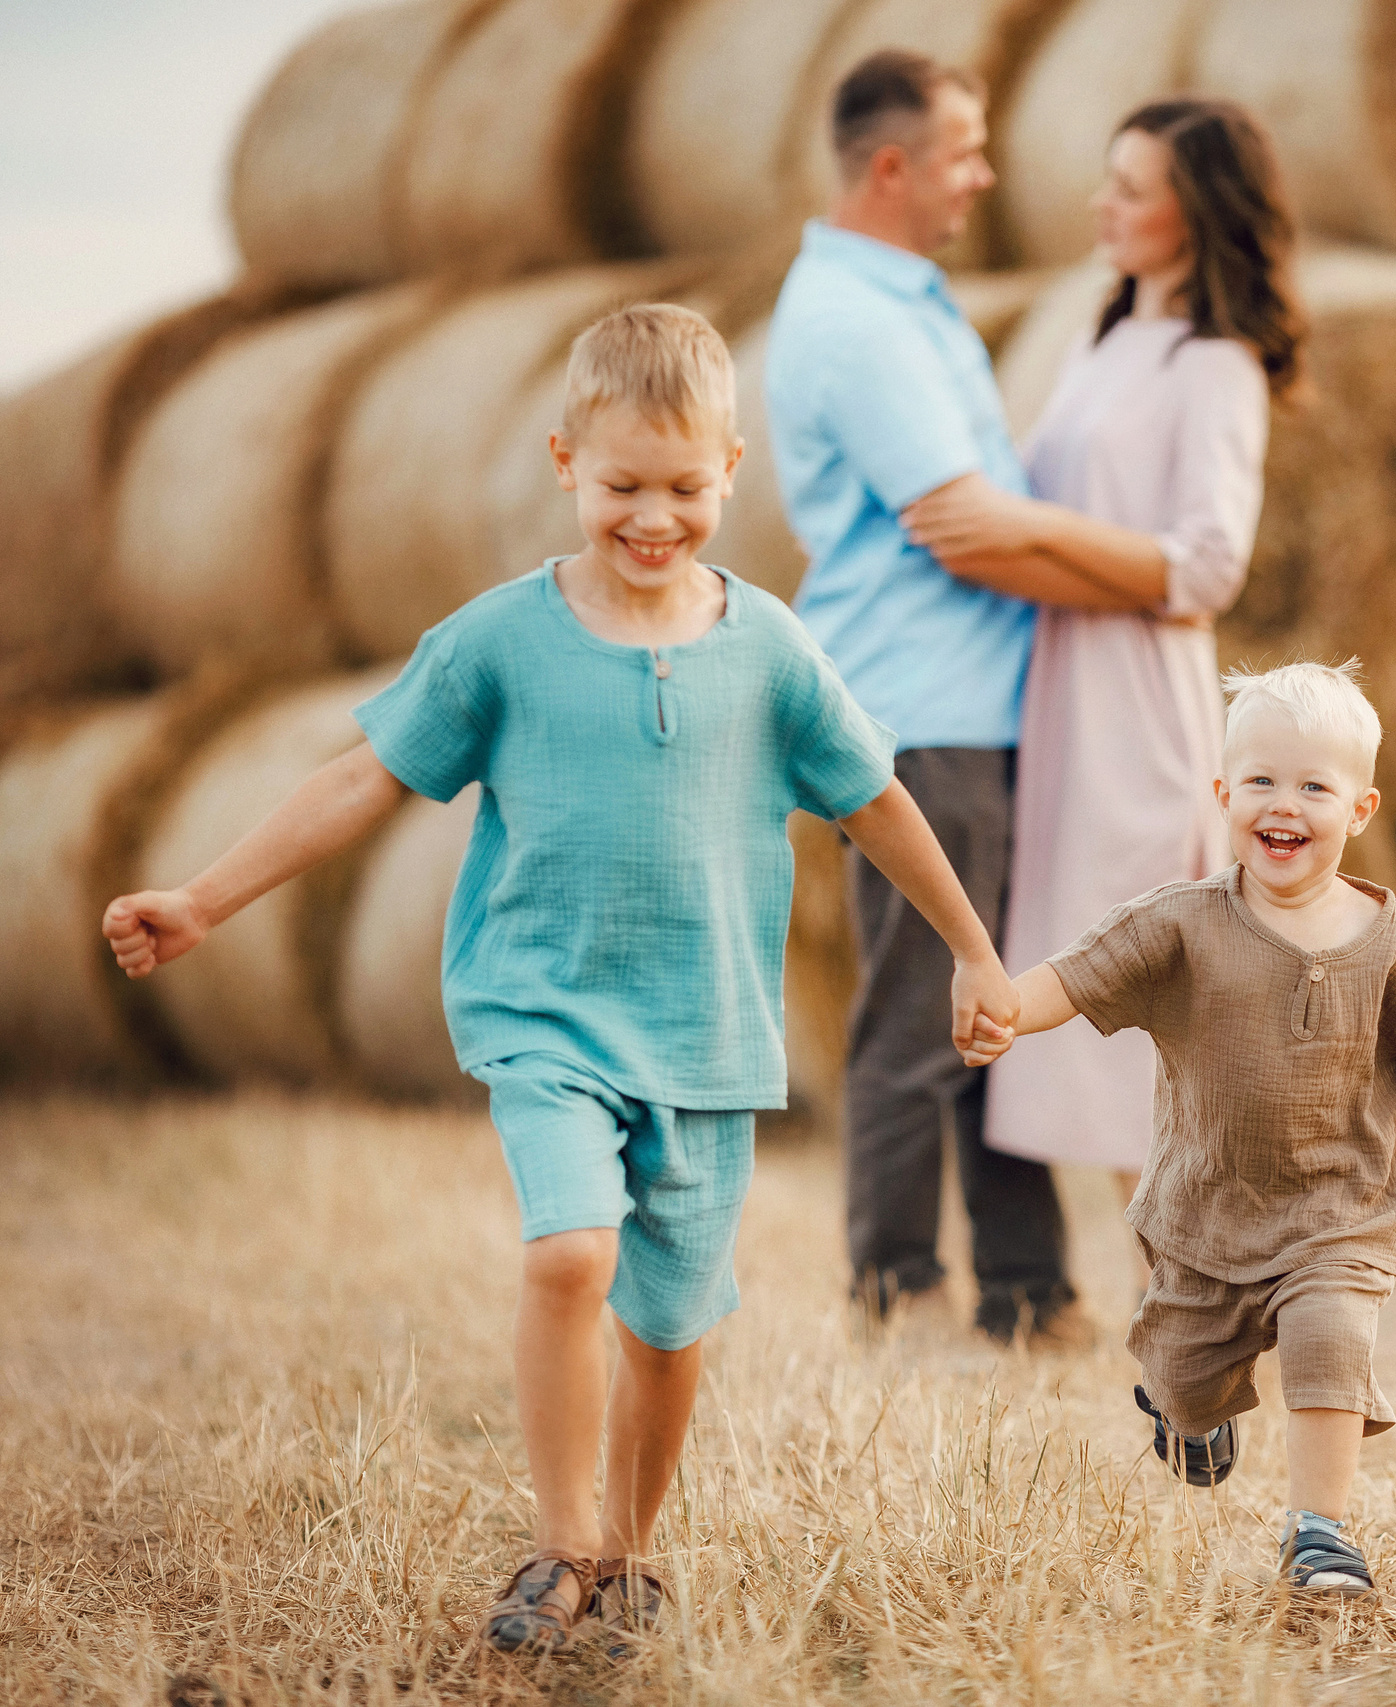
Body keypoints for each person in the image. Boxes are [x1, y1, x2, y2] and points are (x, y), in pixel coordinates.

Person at [99, 305, 1017, 1656]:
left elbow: (876, 800)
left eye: (685, 487)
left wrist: (976, 949)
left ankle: (631, 1554)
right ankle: (560, 1541)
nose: (654, 516)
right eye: (622, 484)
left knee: (669, 1328)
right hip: (545, 1012)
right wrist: (201, 897)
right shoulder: (501, 640)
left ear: (731, 471)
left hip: (705, 1031)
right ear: (564, 461)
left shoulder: (769, 648)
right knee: (571, 1251)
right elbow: (361, 778)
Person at [963, 661, 1396, 1596]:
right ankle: (1191, 1410)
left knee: (1331, 1334)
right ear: (1222, 795)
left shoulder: (1393, 942)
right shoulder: (1181, 924)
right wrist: (1009, 1007)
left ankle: (1318, 1533)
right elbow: (1082, 972)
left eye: (1313, 787)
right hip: (1206, 1209)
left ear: (1361, 810)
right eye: (1261, 780)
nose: (1284, 803)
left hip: (1343, 1208)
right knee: (1186, 1376)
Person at [901, 99, 1301, 1211]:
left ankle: (1202, 1300)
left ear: (1197, 212)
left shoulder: (1216, 364)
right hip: (1067, 699)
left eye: (1130, 188)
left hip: (1140, 715)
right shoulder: (1105, 336)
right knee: (1098, 1020)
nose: (1100, 205)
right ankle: (1171, 1296)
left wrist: (1023, 529)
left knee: (1150, 1020)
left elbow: (1206, 567)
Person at [764, 49, 1089, 1348]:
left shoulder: (900, 300)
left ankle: (1026, 1289)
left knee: (986, 1007)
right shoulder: (858, 319)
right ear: (892, 166)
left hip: (965, 707)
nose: (985, 175)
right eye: (964, 152)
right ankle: (894, 1289)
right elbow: (958, 524)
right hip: (923, 713)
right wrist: (1145, 579)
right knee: (917, 1016)